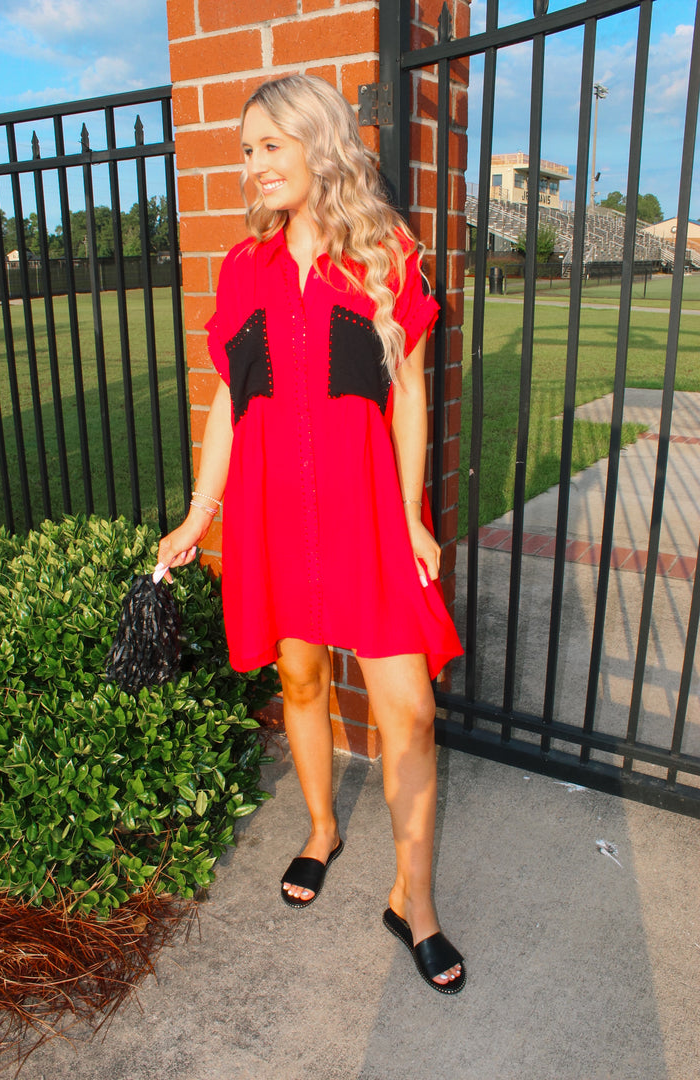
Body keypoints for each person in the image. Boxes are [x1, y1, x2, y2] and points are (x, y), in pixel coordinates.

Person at [156, 74, 466, 994]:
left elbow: (408, 398)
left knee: (409, 709)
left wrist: (411, 513)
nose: (250, 166)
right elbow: (227, 409)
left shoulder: (384, 253)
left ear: (316, 143)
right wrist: (198, 513)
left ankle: (417, 900)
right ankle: (323, 829)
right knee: (298, 676)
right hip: (270, 513)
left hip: (366, 510)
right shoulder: (243, 267)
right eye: (244, 151)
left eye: (266, 147)